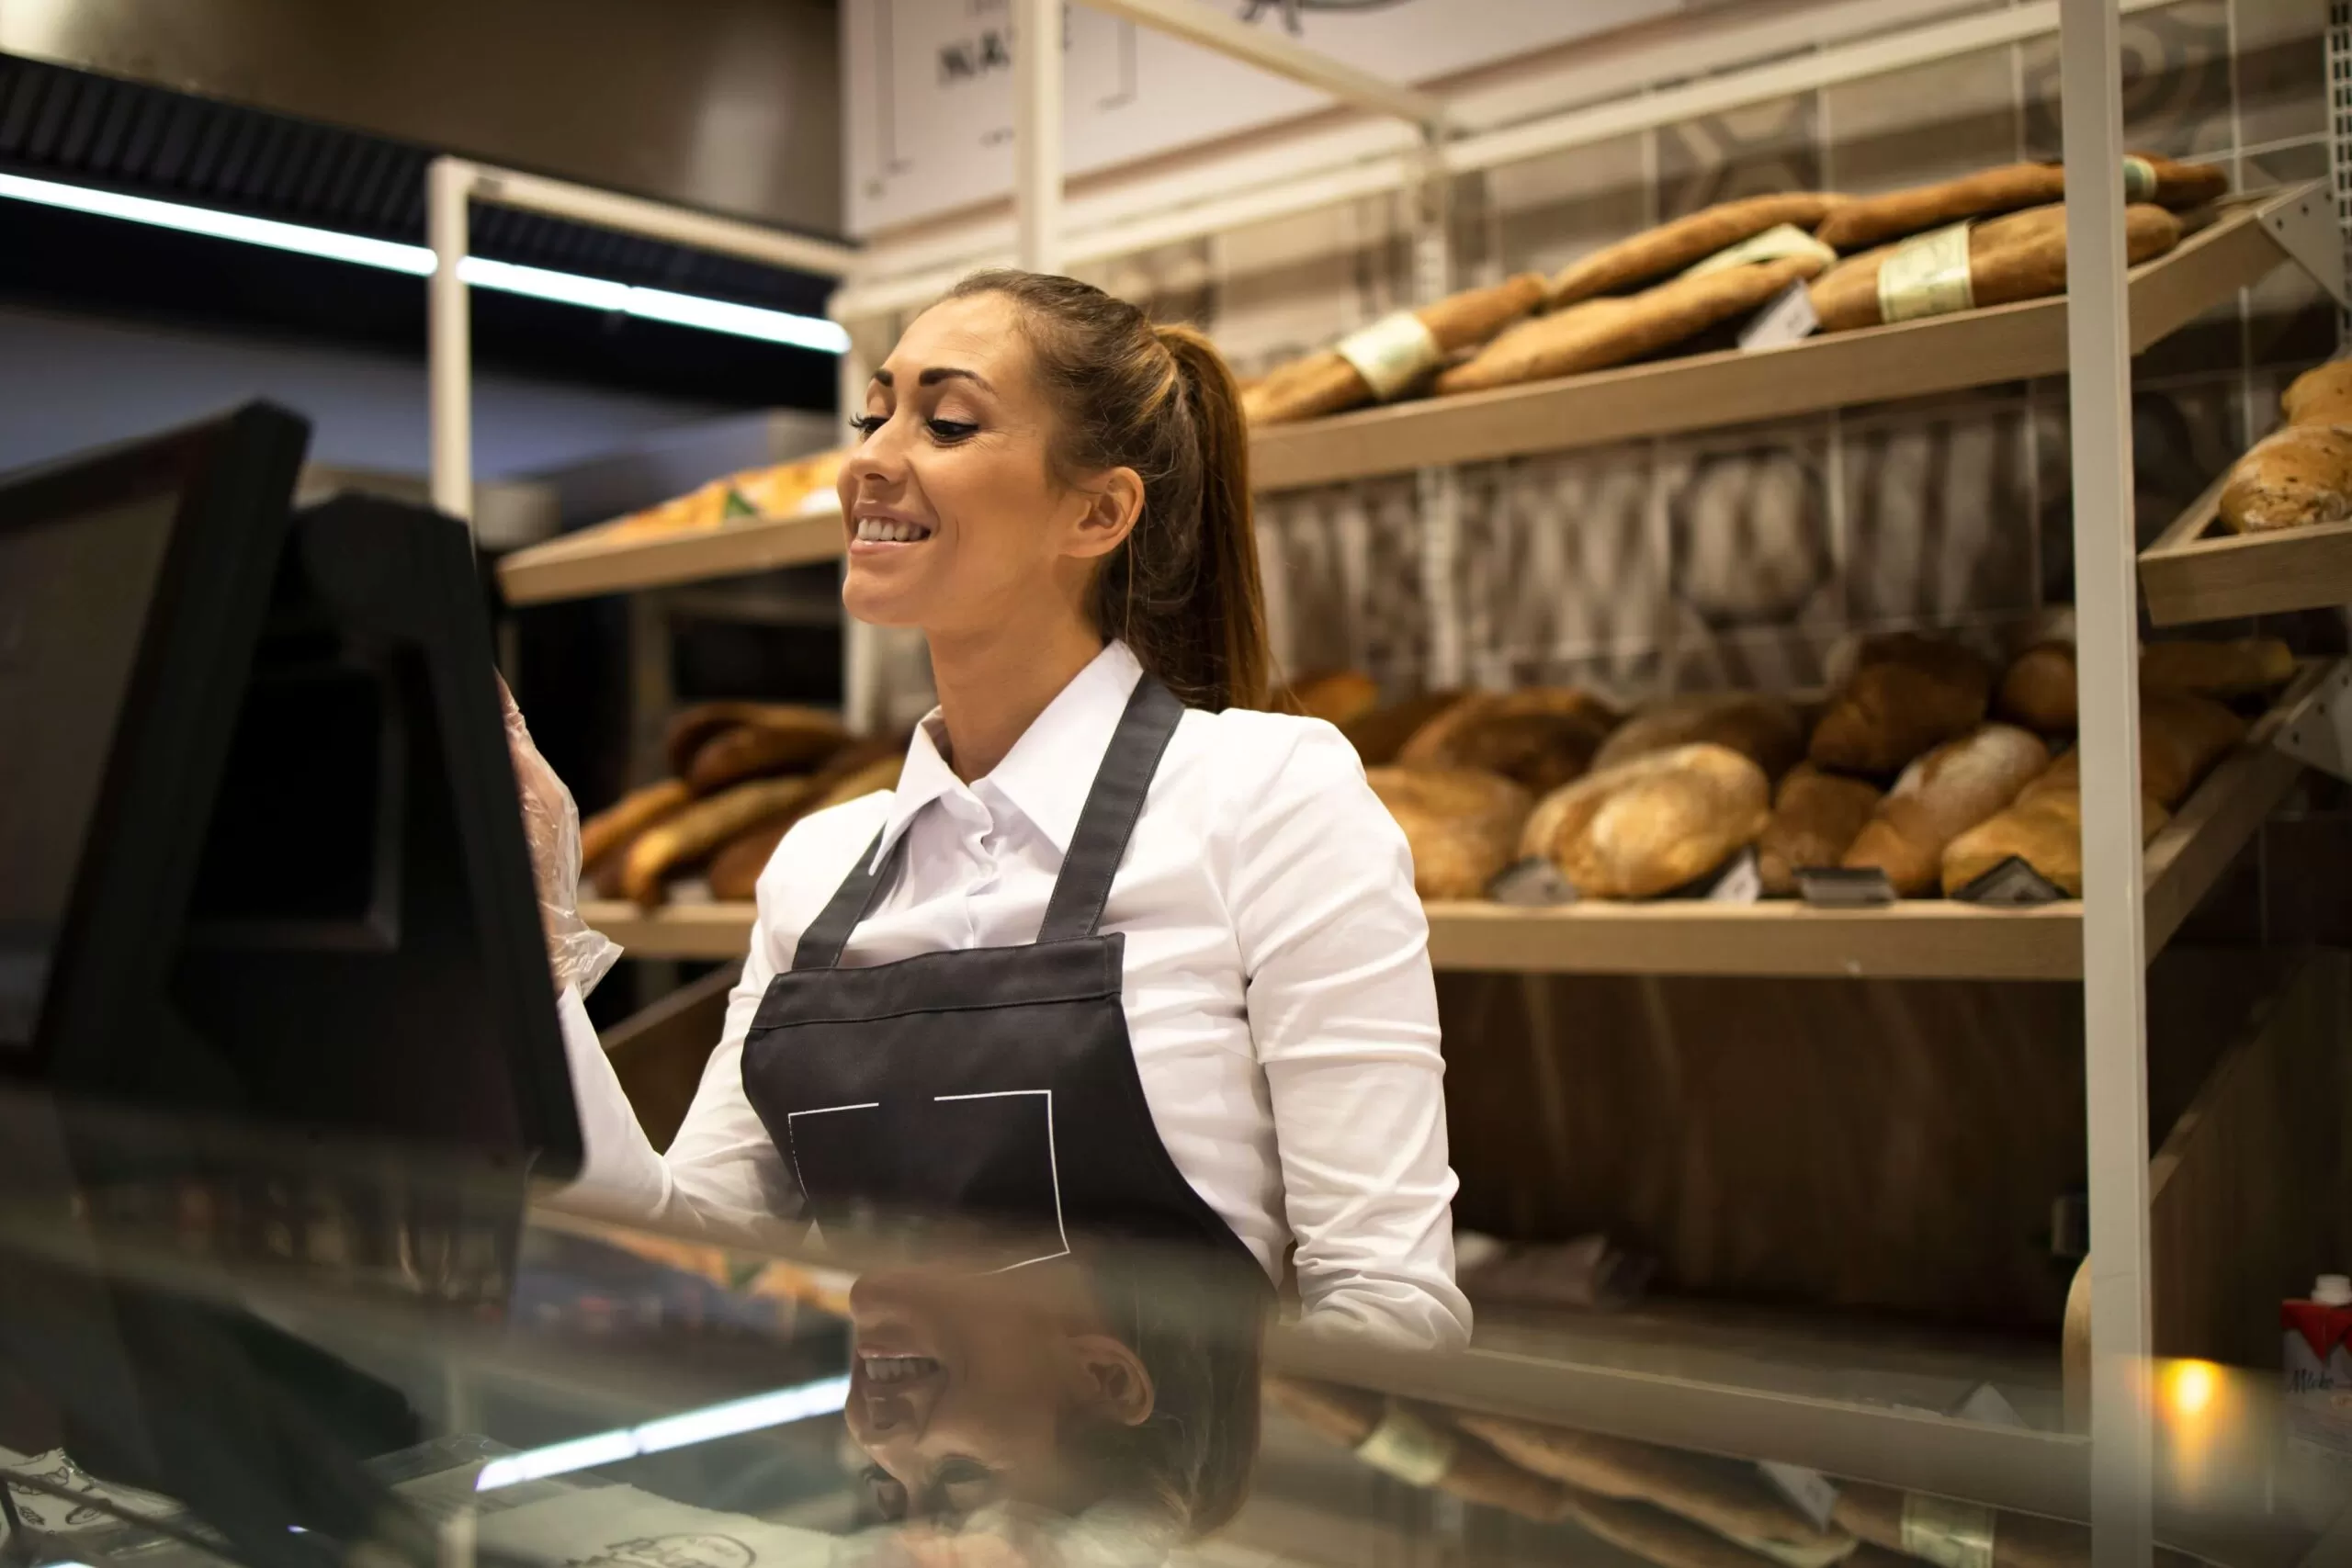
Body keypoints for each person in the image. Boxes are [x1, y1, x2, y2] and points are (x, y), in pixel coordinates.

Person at [524, 268, 1471, 1356]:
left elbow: (1391, 1299)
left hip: (1187, 1512)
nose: (870, 459)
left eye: (948, 421)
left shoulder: (1267, 795)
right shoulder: (818, 864)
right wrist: (536, 932)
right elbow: (685, 1249)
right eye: (871, 414)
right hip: (899, 1499)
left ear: (1099, 510)